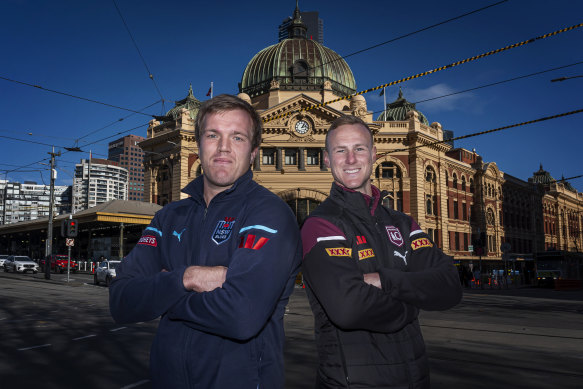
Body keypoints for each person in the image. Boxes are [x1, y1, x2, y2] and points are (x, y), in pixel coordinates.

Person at [109, 94, 302, 388]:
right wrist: (187, 278)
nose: (223, 147)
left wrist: (163, 296)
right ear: (199, 145)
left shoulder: (270, 212)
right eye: (213, 135)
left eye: (237, 137)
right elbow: (121, 301)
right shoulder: (168, 217)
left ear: (253, 152)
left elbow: (242, 315)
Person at [301, 115, 462, 388]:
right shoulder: (320, 224)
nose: (351, 160)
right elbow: (348, 308)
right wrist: (414, 300)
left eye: (359, 148)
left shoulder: (402, 222)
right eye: (341, 150)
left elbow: (450, 286)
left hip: (416, 378)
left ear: (374, 154)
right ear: (327, 159)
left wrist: (384, 281)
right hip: (352, 382)